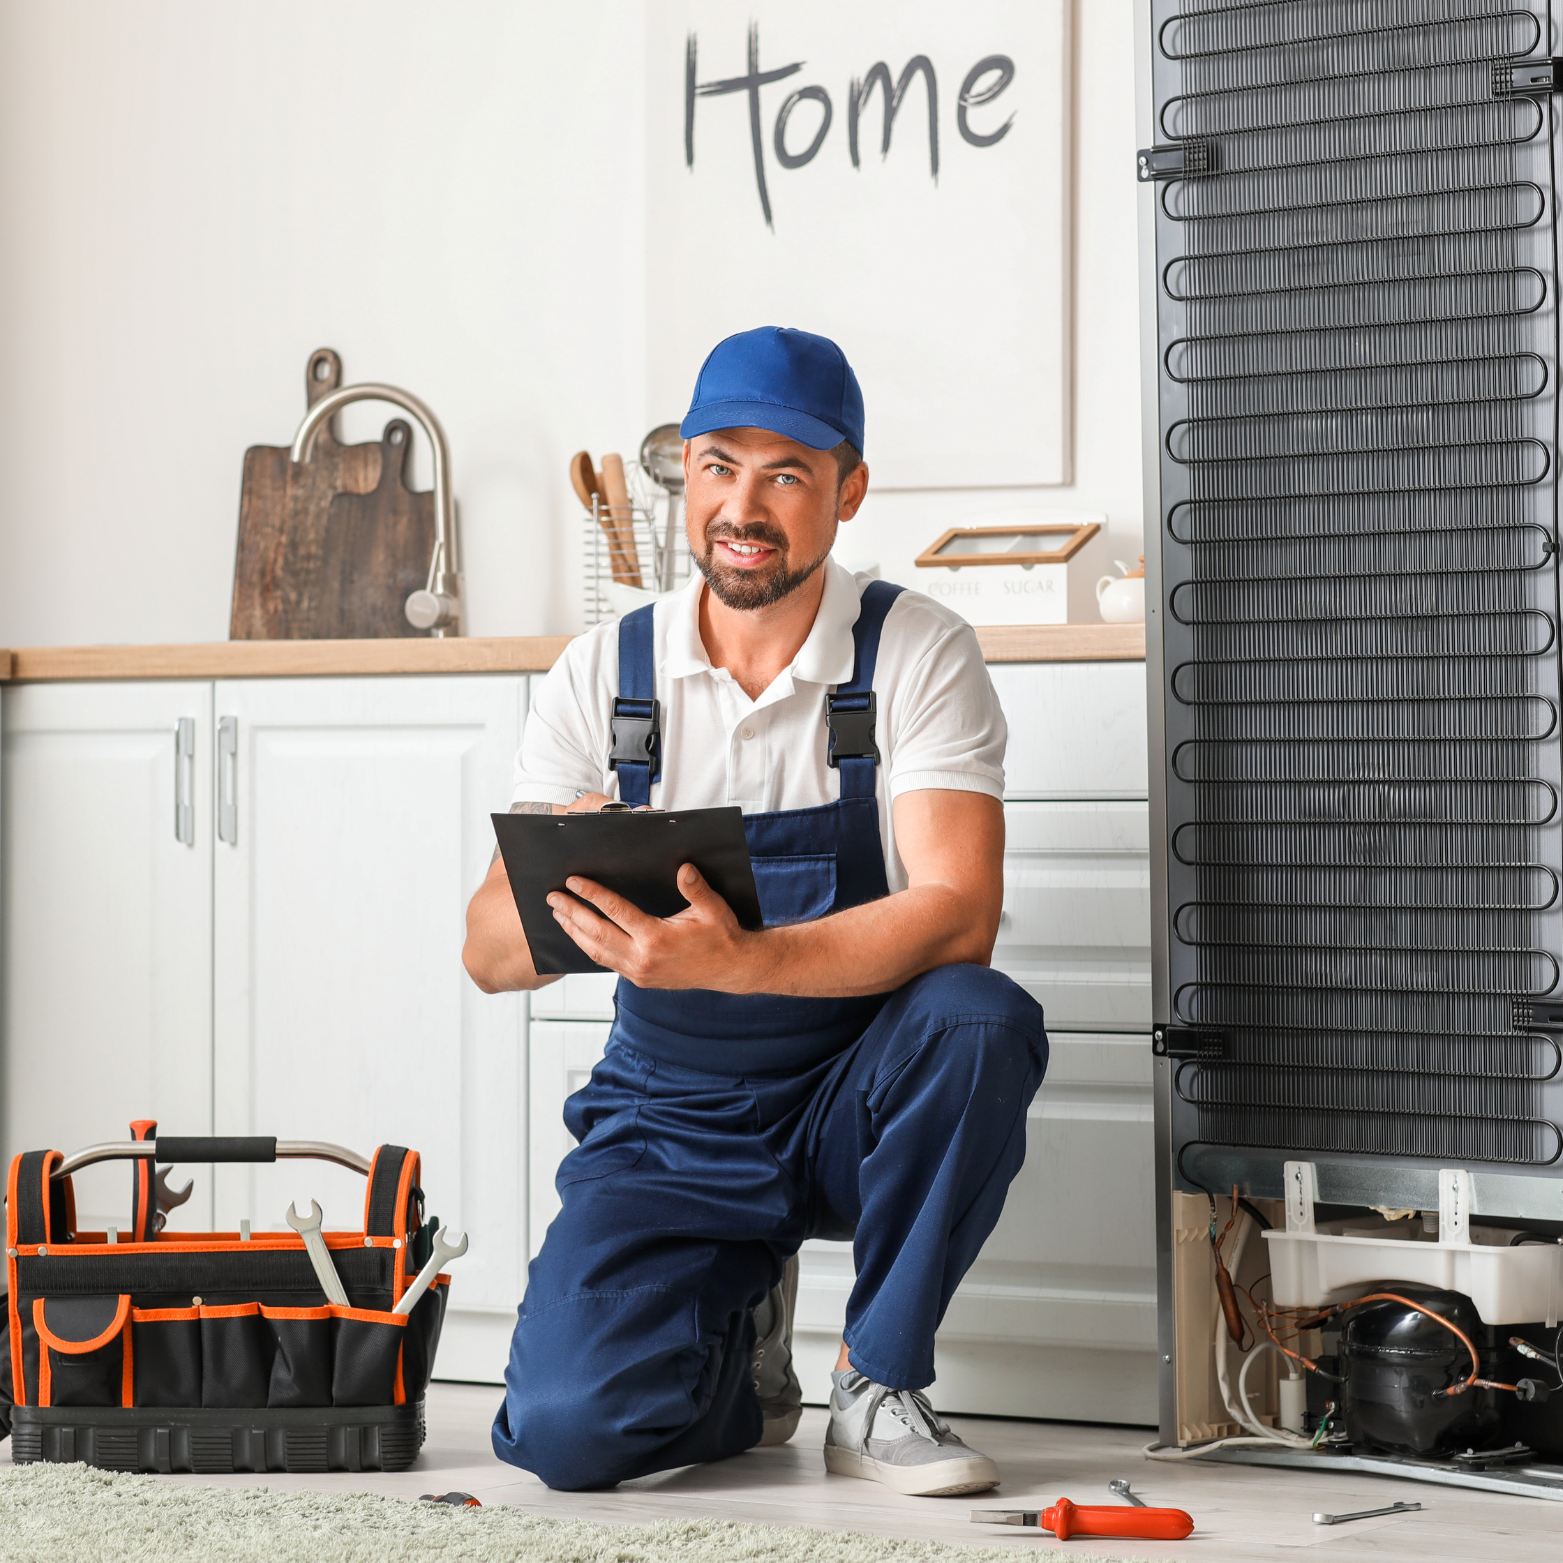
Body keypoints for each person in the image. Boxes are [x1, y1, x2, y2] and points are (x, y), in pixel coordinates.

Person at [463, 326, 1047, 1495]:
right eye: (721, 465)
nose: (745, 505)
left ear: (848, 490)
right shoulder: (605, 674)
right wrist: (559, 876)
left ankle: (879, 1385)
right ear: (685, 471)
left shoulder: (914, 652)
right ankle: (743, 1362)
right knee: (569, 1436)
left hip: (851, 1095)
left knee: (981, 1017)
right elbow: (484, 954)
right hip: (669, 1114)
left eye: (787, 473)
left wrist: (740, 959)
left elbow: (955, 916)